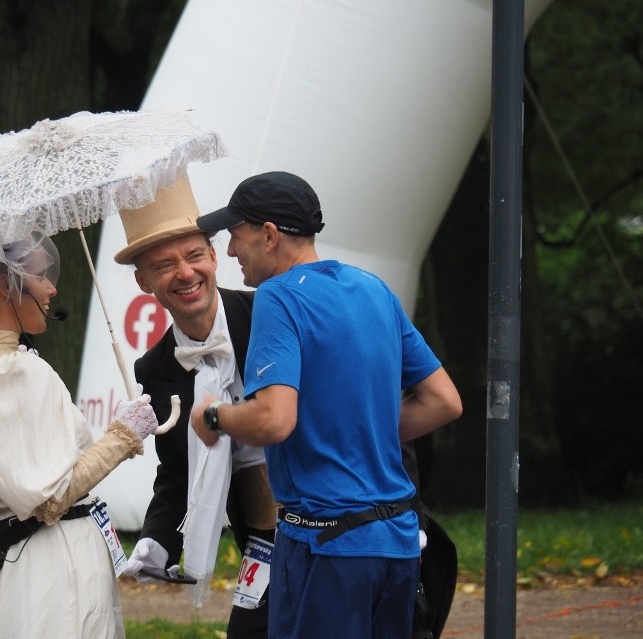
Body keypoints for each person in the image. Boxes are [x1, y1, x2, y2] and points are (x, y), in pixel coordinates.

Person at [189, 171, 463, 639]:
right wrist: (361, 429)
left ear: (269, 235)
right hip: (397, 542)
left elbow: (274, 419)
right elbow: (444, 402)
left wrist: (214, 415)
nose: (231, 251)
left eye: (237, 236)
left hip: (328, 546)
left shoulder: (278, 296)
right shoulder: (373, 289)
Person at [0, 232, 159, 638]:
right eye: (40, 276)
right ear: (6, 283)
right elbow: (51, 499)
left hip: (7, 566)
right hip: (55, 564)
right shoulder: (15, 372)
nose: (52, 287)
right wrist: (124, 434)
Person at [113, 179, 279, 639]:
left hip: (333, 523)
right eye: (164, 265)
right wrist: (156, 539)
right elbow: (177, 469)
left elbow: (355, 409)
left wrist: (402, 514)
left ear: (213, 255)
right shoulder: (156, 367)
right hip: (262, 535)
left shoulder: (272, 312)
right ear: (144, 282)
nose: (184, 273)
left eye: (193, 256)